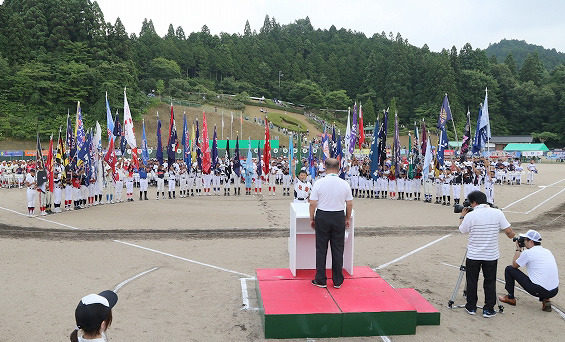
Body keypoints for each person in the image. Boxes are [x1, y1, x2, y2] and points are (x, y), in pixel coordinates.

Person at [459, 190, 516, 318]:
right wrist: (514, 236)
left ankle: (471, 306)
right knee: (490, 281)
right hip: (491, 255)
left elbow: (462, 230)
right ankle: (488, 309)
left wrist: (462, 216)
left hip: (474, 255)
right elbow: (509, 232)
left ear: (474, 202)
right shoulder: (497, 213)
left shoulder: (471, 215)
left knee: (472, 280)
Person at [309, 158, 353, 289]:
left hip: (323, 216)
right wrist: (347, 218)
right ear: (338, 168)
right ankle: (338, 280)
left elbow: (312, 203)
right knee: (338, 249)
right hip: (338, 216)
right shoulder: (344, 183)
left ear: (325, 167)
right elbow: (349, 203)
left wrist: (312, 218)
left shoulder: (319, 183)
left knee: (321, 249)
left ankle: (321, 279)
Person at [498, 230, 559, 312]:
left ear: (531, 241)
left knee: (509, 269)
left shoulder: (528, 253)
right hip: (554, 290)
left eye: (525, 240)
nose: (524, 241)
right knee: (542, 276)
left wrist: (518, 250)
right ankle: (546, 299)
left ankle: (510, 297)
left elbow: (514, 265)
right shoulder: (547, 251)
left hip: (538, 290)